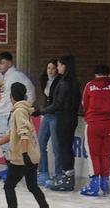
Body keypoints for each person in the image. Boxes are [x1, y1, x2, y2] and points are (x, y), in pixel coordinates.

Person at [0, 82, 56, 208]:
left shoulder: (19, 111)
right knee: (32, 186)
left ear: (12, 96)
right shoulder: (24, 109)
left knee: (9, 186)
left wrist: (24, 155)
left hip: (23, 157)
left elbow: (23, 133)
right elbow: (12, 134)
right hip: (33, 155)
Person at [80, 64, 110, 197]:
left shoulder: (89, 86)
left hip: (93, 124)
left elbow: (85, 104)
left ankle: (94, 185)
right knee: (105, 154)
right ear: (109, 74)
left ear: (95, 75)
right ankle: (105, 184)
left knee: (93, 154)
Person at [0, 51, 34, 182]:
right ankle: (9, 167)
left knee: (9, 142)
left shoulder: (17, 75)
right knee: (3, 141)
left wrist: (27, 107)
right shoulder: (1, 76)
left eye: (2, 63)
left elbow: (30, 89)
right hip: (1, 112)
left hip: (9, 113)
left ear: (10, 63)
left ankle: (13, 169)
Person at [42, 55, 80, 192]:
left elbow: (57, 104)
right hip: (70, 118)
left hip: (64, 119)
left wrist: (41, 111)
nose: (57, 68)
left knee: (64, 148)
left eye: (58, 65)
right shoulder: (73, 82)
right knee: (66, 148)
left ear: (65, 66)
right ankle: (67, 176)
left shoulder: (65, 83)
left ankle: (67, 178)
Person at [37, 59, 61, 187]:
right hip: (46, 114)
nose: (50, 71)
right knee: (41, 143)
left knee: (56, 147)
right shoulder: (44, 80)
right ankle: (43, 172)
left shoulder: (60, 82)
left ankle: (58, 174)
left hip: (55, 115)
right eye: (48, 68)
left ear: (57, 69)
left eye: (52, 68)